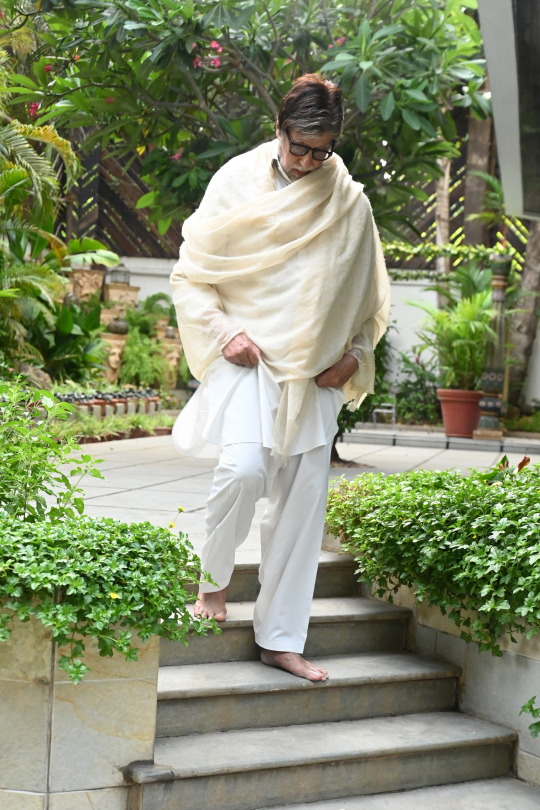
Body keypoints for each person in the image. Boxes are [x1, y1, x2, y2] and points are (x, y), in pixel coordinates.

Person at [170, 74, 390, 682]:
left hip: (318, 376)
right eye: (300, 148)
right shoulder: (235, 181)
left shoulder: (349, 201)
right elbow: (191, 276)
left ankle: (281, 639)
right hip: (251, 359)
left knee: (302, 507)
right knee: (242, 471)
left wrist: (355, 357)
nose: (309, 162)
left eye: (322, 151)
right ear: (280, 129)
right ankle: (212, 585)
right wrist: (225, 333)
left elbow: (366, 295)